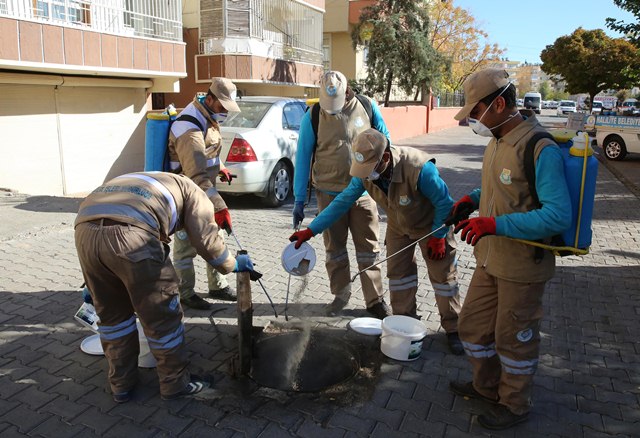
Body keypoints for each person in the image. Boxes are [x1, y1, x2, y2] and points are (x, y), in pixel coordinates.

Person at [445, 68, 572, 429]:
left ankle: (515, 403)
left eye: (475, 110)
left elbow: (558, 214)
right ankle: (486, 386)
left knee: (513, 339)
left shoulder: (539, 147)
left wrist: (494, 224)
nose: (471, 118)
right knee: (472, 326)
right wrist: (471, 200)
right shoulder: (497, 140)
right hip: (490, 258)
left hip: (522, 266)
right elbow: (501, 191)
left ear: (499, 104)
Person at [74, 172, 255, 403]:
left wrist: (94, 283)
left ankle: (121, 385)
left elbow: (107, 232)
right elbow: (207, 242)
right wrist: (231, 263)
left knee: (112, 318)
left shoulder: (154, 180)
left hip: (85, 231)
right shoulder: (196, 194)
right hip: (133, 235)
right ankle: (175, 383)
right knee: (163, 317)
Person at [290, 129, 463, 352]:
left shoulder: (419, 168)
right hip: (399, 227)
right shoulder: (364, 175)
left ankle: (453, 329)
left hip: (432, 225)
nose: (365, 175)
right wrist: (311, 231)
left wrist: (439, 237)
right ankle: (405, 324)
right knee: (400, 277)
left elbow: (446, 204)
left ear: (386, 158)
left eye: (369, 169)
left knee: (443, 278)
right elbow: (342, 202)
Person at [291, 71, 390, 319]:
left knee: (369, 248)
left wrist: (384, 179)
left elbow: (386, 142)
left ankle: (374, 300)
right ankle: (340, 295)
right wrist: (299, 199)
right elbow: (302, 157)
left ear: (347, 91)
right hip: (328, 193)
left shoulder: (367, 107)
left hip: (364, 191)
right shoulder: (313, 116)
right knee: (335, 250)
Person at [167, 77, 240, 310]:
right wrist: (220, 207)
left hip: (204, 192)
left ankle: (217, 286)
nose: (225, 113)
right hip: (185, 194)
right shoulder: (188, 128)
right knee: (185, 245)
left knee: (213, 238)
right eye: (222, 107)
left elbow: (208, 151)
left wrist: (221, 168)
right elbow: (196, 173)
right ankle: (184, 292)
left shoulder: (207, 116)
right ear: (209, 99)